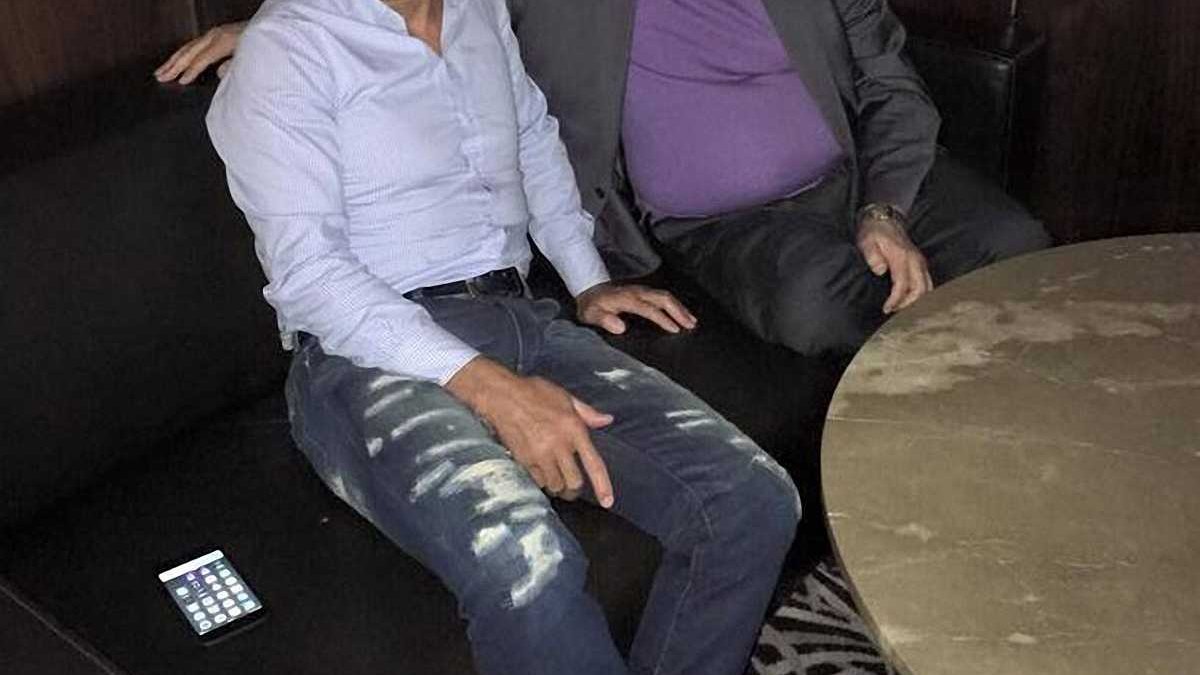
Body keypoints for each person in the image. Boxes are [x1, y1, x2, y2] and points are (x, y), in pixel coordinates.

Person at [200, 0, 802, 674]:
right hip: (364, 358)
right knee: (527, 566)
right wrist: (493, 390)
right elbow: (311, 277)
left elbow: (532, 137)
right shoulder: (289, 49)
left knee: (753, 501)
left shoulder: (479, 9)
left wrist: (586, 279)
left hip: (517, 317)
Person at [158, 0, 1050, 357]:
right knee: (820, 305)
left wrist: (883, 207)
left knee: (1018, 245)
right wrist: (275, 25)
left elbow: (890, 77)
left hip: (863, 174)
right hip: (726, 221)